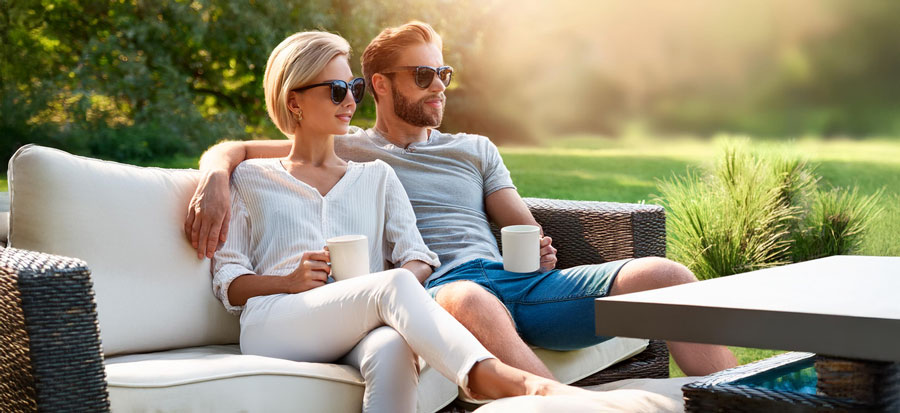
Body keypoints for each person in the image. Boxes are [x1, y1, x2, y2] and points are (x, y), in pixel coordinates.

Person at [191, 22, 737, 379]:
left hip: (521, 283)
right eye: (423, 75)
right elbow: (244, 149)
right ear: (378, 86)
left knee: (669, 277)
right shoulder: (351, 147)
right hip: (443, 293)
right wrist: (215, 176)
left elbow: (522, 226)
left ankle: (740, 400)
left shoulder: (475, 149)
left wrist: (541, 252)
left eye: (443, 73)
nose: (438, 86)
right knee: (474, 299)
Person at [214, 30, 595, 413]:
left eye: (354, 89)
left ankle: (516, 385)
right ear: (293, 101)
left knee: (393, 346)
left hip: (355, 320)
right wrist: (288, 281)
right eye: (336, 91)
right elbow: (228, 282)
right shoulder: (251, 177)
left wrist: (369, 292)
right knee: (392, 284)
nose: (349, 101)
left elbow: (419, 257)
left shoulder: (376, 175)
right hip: (276, 320)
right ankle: (520, 386)